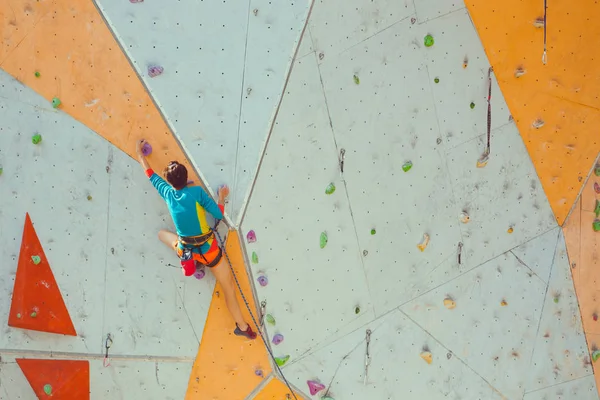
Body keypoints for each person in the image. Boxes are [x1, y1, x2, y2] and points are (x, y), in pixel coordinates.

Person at [136, 139, 256, 340]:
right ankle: (243, 327)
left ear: (169, 182)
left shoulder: (167, 193)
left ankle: (191, 264)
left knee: (162, 235)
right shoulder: (197, 192)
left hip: (187, 250)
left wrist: (140, 155)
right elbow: (218, 214)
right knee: (229, 289)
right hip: (209, 251)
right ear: (187, 177)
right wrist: (222, 196)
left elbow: (150, 175)